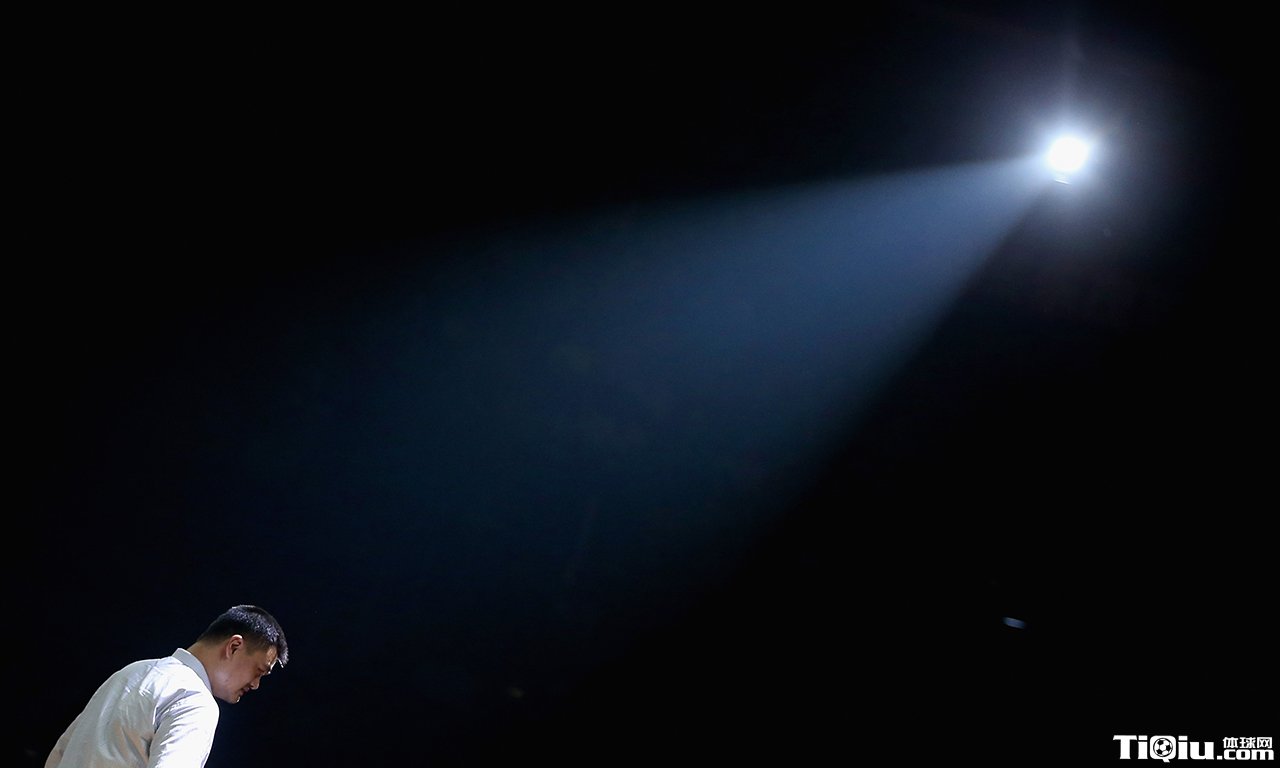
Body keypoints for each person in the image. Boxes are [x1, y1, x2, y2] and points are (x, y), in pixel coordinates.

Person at [45, 604, 289, 768]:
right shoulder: (195, 700)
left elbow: (60, 754)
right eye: (259, 671)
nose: (256, 685)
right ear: (234, 646)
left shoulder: (129, 672)